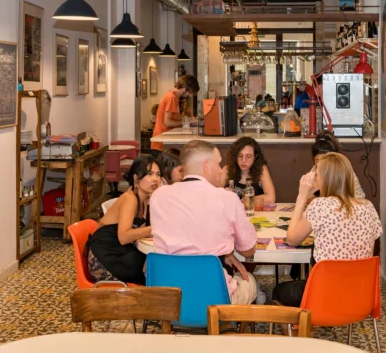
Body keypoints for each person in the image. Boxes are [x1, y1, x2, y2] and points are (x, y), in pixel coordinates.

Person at [149, 140, 261, 305]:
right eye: (218, 164)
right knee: (250, 280)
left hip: (167, 297)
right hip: (214, 300)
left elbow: (186, 236)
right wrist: (228, 251)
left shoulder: (158, 196)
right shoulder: (227, 199)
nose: (221, 169)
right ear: (206, 166)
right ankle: (231, 326)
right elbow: (248, 251)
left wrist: (226, 253)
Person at [273, 152, 382, 307]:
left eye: (317, 175)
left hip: (324, 293)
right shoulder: (368, 207)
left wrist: (302, 196)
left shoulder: (320, 206)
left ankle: (302, 329)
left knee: (278, 291)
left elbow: (291, 239)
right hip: (360, 294)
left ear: (325, 178)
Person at [86, 156, 161, 285]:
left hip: (120, 252)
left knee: (154, 262)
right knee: (153, 266)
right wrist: (157, 228)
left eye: (158, 174)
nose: (155, 179)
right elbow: (124, 237)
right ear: (136, 178)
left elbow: (140, 233)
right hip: (104, 258)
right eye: (149, 174)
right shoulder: (130, 199)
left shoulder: (144, 200)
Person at [223, 136, 277, 205]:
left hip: (254, 213)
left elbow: (271, 198)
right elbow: (212, 195)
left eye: (248, 156)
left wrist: (248, 201)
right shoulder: (227, 170)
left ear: (255, 156)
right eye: (240, 156)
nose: (243, 160)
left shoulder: (261, 169)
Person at [151, 74, 199, 150]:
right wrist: (188, 121)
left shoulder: (174, 97)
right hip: (162, 144)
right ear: (185, 88)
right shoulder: (171, 97)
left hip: (166, 140)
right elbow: (167, 123)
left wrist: (189, 118)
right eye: (190, 92)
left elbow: (174, 120)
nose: (190, 96)